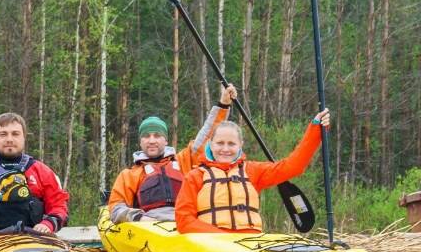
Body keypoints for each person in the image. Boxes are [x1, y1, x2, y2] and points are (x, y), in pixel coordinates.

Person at [175, 109, 331, 234]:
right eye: (220, 143)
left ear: (240, 145)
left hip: (250, 245)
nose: (225, 149)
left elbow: (293, 167)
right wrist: (222, 238)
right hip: (212, 247)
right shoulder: (195, 176)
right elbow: (184, 221)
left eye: (231, 144)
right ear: (211, 144)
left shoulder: (252, 171)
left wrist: (316, 129)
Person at [107, 84, 237, 224]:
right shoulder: (129, 175)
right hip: (151, 227)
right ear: (140, 141)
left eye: (157, 136)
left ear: (165, 140)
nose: (152, 141)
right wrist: (138, 217)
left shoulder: (183, 161)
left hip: (185, 222)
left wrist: (223, 105)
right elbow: (116, 208)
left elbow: (208, 134)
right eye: (146, 136)